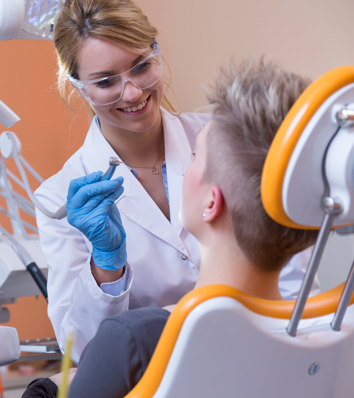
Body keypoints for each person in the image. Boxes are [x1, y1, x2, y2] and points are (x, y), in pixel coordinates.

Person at [34, 0, 317, 363]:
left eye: (141, 67)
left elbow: (295, 283)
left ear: (157, 54)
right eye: (105, 82)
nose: (133, 92)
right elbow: (84, 349)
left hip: (264, 353)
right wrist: (107, 267)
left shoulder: (223, 138)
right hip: (156, 377)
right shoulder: (60, 197)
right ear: (78, 86)